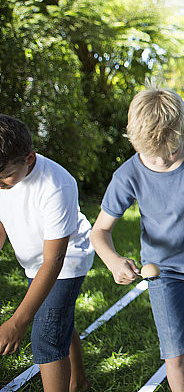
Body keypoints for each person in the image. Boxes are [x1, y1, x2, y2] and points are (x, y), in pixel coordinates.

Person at [90, 87, 184, 392]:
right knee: (175, 353)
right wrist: (114, 261)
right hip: (161, 270)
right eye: (152, 157)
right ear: (135, 142)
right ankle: (179, 363)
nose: (163, 162)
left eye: (170, 152)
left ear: (183, 131)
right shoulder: (127, 175)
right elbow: (99, 232)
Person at [0, 114, 94, 392]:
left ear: (29, 158)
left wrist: (17, 322)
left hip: (67, 259)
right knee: (58, 317)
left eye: (4, 177)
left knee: (47, 337)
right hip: (35, 262)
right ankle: (79, 383)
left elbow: (54, 259)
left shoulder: (56, 184)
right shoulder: (3, 176)